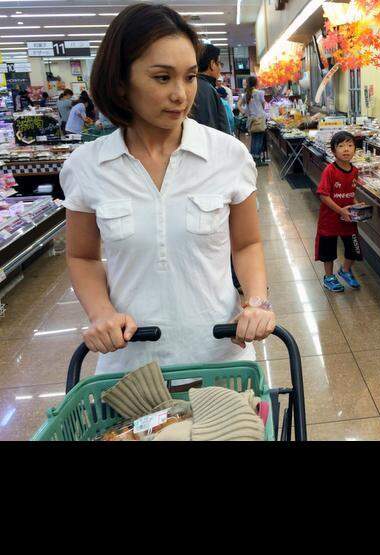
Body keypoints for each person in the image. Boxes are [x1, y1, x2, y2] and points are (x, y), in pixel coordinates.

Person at [60, 2, 273, 373]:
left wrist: (256, 302)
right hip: (129, 364)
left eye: (190, 77)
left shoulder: (228, 156)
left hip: (221, 355)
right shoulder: (86, 166)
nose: (181, 94)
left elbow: (247, 243)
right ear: (121, 82)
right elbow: (83, 256)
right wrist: (102, 313)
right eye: (162, 78)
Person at [315, 131, 365, 292]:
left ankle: (345, 270)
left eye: (350, 145)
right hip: (329, 219)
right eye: (341, 146)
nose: (346, 149)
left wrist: (357, 205)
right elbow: (323, 195)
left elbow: (351, 193)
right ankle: (329, 277)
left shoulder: (354, 170)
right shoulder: (330, 170)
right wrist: (340, 211)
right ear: (333, 150)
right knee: (328, 251)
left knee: (354, 249)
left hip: (348, 219)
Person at [189, 43, 230, 134]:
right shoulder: (205, 89)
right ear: (212, 64)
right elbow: (209, 127)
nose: (220, 67)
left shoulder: (197, 84)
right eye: (219, 63)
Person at [238, 75, 268, 165]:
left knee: (254, 139)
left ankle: (253, 159)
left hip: (251, 120)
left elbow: (239, 105)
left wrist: (245, 113)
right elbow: (263, 105)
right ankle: (257, 160)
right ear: (255, 83)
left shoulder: (246, 94)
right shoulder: (260, 93)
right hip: (259, 119)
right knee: (259, 139)